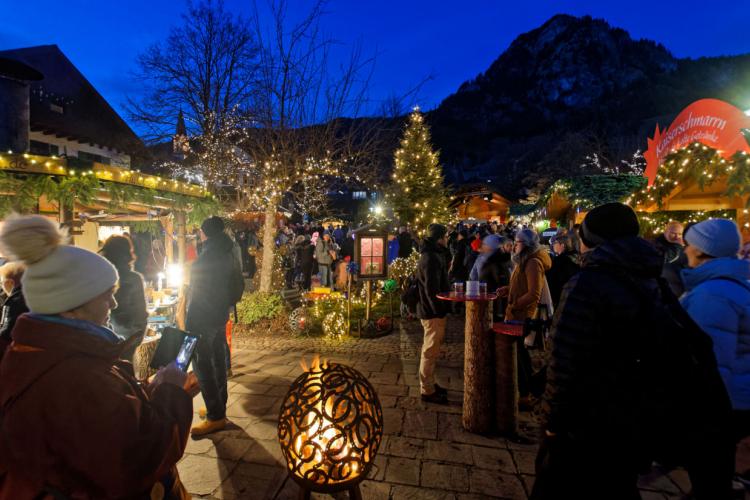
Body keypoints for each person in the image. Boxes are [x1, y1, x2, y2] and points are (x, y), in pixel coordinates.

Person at [532, 204, 733, 500]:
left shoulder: (588, 283)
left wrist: (552, 421)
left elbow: (565, 361)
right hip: (634, 417)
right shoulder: (651, 277)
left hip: (588, 419)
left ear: (590, 238)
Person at [0, 214, 194, 498]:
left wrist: (146, 391)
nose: (113, 303)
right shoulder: (74, 377)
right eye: (106, 295)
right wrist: (170, 392)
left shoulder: (44, 353)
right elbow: (138, 457)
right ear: (71, 307)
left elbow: (100, 426)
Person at [680, 219, 750, 465]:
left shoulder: (713, 294)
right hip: (735, 397)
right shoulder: (729, 285)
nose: (685, 250)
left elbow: (711, 360)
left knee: (711, 471)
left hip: (721, 403)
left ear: (700, 249)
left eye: (688, 244)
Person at [187, 216, 239, 436]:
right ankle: (218, 407)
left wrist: (190, 323)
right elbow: (238, 285)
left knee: (203, 365)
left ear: (204, 232)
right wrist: (226, 305)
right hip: (220, 315)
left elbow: (196, 296)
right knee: (218, 361)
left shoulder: (206, 258)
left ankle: (215, 416)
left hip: (203, 319)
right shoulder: (230, 252)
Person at [499, 229, 552, 403]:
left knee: (519, 356)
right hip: (516, 313)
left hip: (521, 316)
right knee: (520, 354)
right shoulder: (524, 260)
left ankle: (525, 393)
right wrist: (507, 290)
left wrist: (514, 305)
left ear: (527, 244)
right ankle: (527, 390)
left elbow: (533, 294)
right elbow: (520, 285)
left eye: (518, 242)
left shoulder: (532, 263)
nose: (514, 245)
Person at [416, 223, 451, 405]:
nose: (447, 239)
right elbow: (431, 290)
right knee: (429, 351)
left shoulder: (434, 254)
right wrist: (438, 310)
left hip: (433, 310)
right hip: (432, 312)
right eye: (445, 236)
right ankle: (427, 390)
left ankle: (429, 383)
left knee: (432, 350)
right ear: (439, 238)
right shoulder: (430, 258)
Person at [100, 235, 148, 362]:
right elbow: (141, 314)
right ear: (128, 253)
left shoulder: (100, 276)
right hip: (128, 341)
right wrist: (136, 340)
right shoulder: (133, 279)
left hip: (102, 339)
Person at [0, 261, 27, 360]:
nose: (2, 288)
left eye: (1, 283)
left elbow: (5, 334)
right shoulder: (34, 294)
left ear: (10, 283)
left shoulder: (14, 300)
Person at [545, 232, 580, 308]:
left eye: (555, 243)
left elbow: (552, 280)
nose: (553, 245)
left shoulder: (560, 261)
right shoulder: (577, 257)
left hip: (560, 298)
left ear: (562, 245)